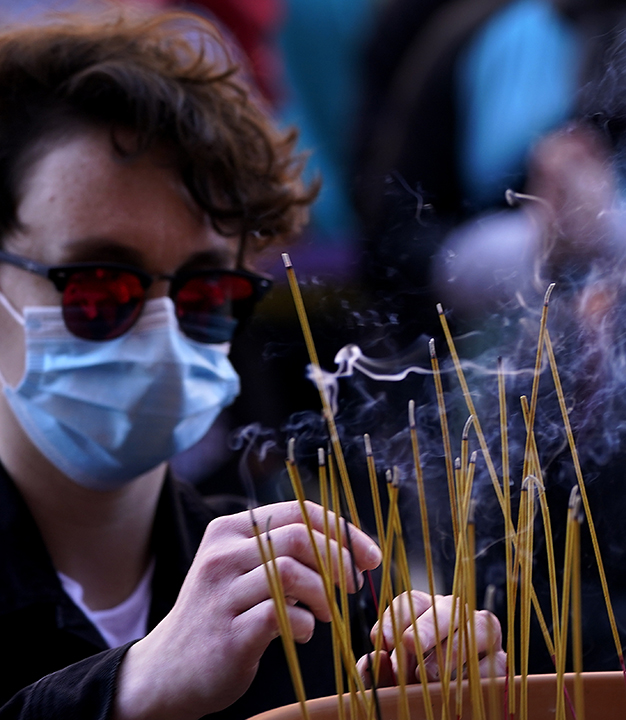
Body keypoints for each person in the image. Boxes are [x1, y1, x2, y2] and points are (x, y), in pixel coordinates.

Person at [0, 11, 502, 719]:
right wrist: (128, 690)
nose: (161, 327)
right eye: (100, 286)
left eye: (205, 292)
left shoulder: (310, 595)